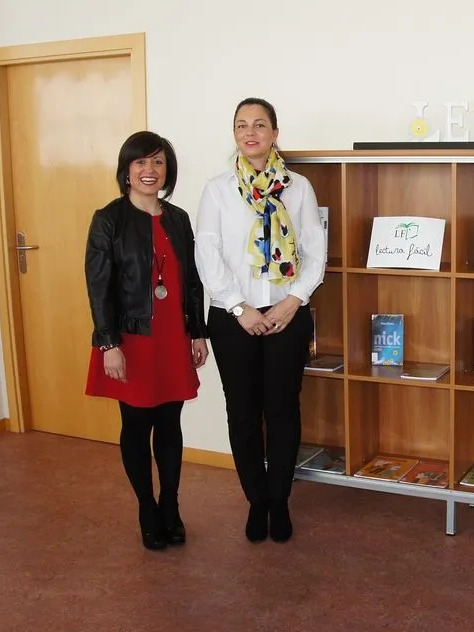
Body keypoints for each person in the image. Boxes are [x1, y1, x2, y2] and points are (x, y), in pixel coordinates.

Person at [195, 97, 326, 544]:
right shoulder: (217, 189)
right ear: (234, 134)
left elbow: (314, 250)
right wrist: (239, 307)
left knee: (283, 410)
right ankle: (256, 500)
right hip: (233, 319)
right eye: (241, 125)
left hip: (287, 315)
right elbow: (207, 252)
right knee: (243, 412)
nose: (250, 132)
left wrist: (293, 301)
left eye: (259, 124)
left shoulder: (298, 187)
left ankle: (280, 499)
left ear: (274, 133)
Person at [84, 131, 209, 551]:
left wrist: (198, 331)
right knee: (136, 426)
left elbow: (192, 281)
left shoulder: (178, 219)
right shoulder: (108, 219)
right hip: (131, 339)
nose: (149, 170)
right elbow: (98, 287)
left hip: (173, 338)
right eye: (140, 162)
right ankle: (146, 508)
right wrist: (108, 344)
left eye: (158, 161)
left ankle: (170, 505)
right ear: (127, 171)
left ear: (167, 170)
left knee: (170, 424)